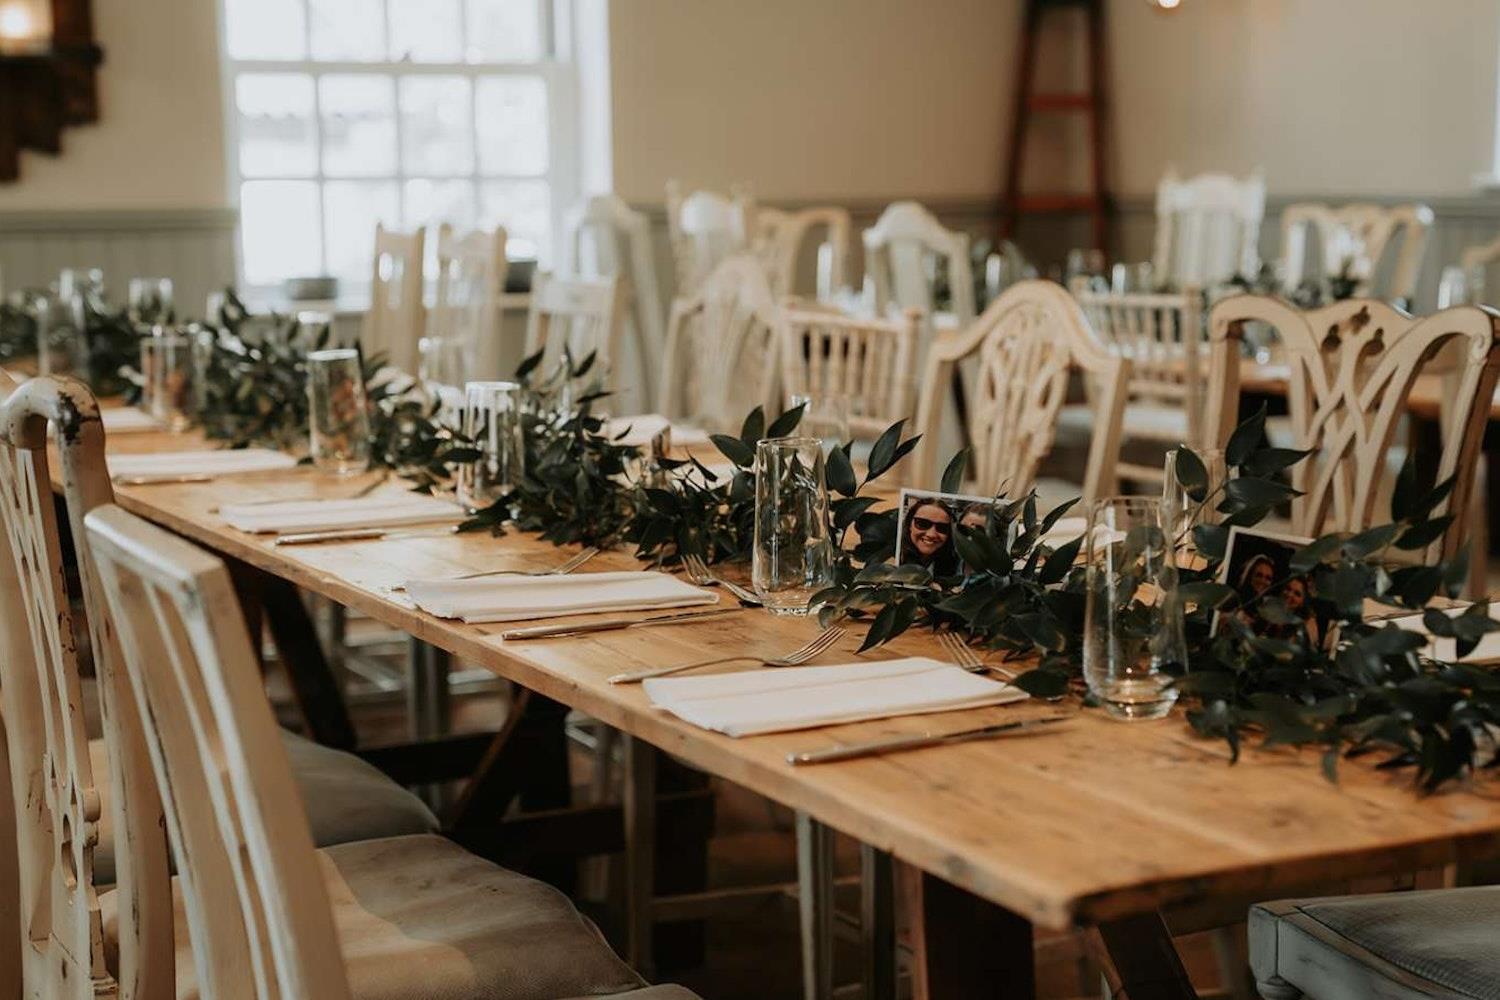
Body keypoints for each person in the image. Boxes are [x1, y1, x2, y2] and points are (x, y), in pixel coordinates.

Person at [901, 498, 958, 576]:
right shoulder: (894, 558)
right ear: (909, 525)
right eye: (922, 524)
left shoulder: (954, 566)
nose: (931, 534)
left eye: (942, 528)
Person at [1232, 553, 1278, 633]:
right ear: (1249, 576)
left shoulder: (1269, 615)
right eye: (1259, 575)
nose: (1263, 581)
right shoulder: (1233, 603)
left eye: (1268, 578)